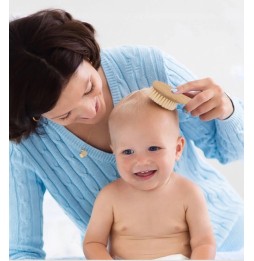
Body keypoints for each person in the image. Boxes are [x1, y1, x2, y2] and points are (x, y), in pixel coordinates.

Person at [9, 8, 243, 260]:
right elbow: (22, 250)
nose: (90, 111)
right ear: (36, 115)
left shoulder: (146, 68)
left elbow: (229, 150)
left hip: (228, 238)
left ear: (86, 54)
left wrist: (227, 110)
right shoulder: (27, 146)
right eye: (64, 115)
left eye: (88, 88)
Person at [83, 89, 216, 260]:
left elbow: (204, 243)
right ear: (114, 152)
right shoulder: (110, 196)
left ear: (177, 149)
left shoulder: (188, 193)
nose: (141, 161)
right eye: (128, 151)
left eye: (154, 148)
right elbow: (93, 243)